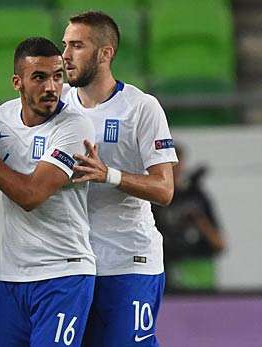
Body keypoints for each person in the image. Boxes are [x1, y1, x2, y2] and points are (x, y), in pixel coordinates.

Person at [0, 37, 96, 347]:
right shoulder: (5, 117)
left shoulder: (74, 127)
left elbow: (30, 195)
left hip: (63, 274)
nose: (51, 86)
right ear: (17, 82)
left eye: (57, 76)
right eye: (39, 77)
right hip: (12, 277)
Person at [60, 11, 178, 346]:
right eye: (65, 45)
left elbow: (164, 189)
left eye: (77, 46)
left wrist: (107, 174)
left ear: (105, 53)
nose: (65, 55)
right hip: (73, 263)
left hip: (129, 261)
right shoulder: (58, 106)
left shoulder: (141, 107)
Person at [152, 144, 226, 291]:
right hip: (167, 275)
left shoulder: (196, 196)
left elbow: (219, 243)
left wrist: (196, 218)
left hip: (200, 274)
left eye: (177, 164)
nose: (175, 169)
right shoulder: (152, 199)